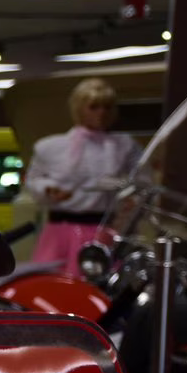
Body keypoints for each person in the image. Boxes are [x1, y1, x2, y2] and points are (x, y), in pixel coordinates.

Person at [23, 77, 140, 276]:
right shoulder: (51, 147)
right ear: (79, 108)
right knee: (55, 286)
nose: (101, 113)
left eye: (107, 107)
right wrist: (49, 189)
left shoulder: (124, 146)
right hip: (60, 231)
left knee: (100, 286)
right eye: (94, 107)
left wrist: (131, 197)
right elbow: (33, 179)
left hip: (103, 229)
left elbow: (141, 180)